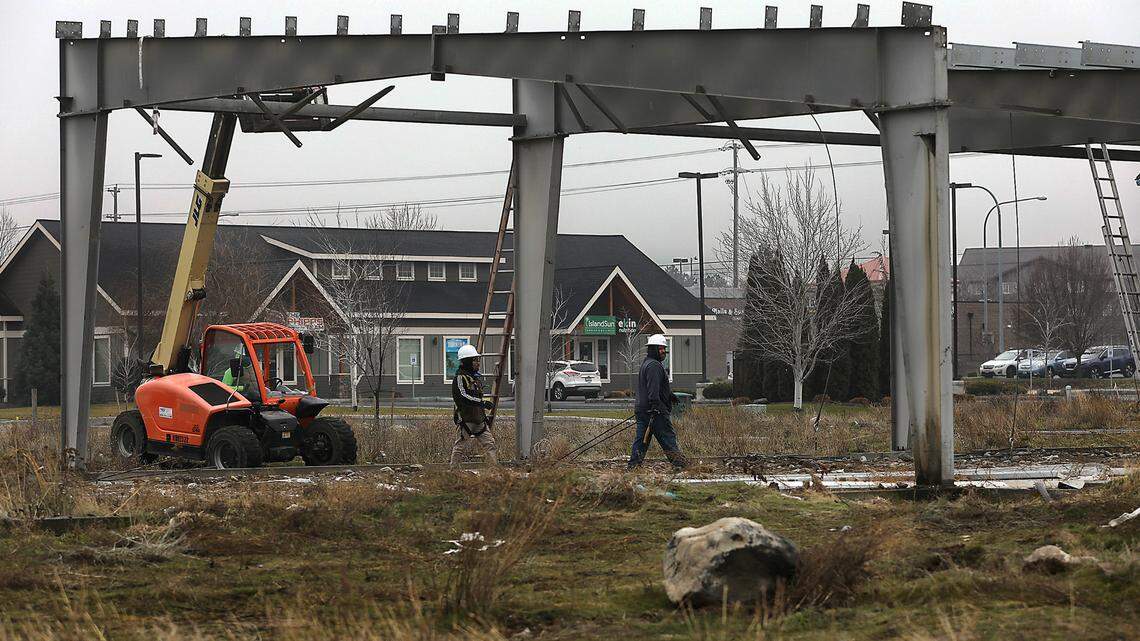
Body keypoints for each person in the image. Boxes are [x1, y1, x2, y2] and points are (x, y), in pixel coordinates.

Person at [628, 334, 686, 469]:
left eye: (664, 349)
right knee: (668, 437)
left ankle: (633, 466)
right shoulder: (654, 366)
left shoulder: (647, 363)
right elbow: (653, 392)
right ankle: (680, 465)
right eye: (661, 349)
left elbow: (654, 386)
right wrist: (659, 407)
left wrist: (670, 395)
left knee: (642, 440)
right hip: (655, 411)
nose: (664, 352)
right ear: (653, 349)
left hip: (642, 409)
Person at [450, 344, 498, 467]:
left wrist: (482, 412)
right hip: (466, 420)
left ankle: (495, 472)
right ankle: (453, 473)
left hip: (479, 420)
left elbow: (475, 397)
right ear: (467, 361)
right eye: (475, 360)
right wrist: (481, 403)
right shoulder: (460, 378)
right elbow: (463, 396)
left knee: (490, 444)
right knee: (459, 447)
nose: (478, 363)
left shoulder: (474, 378)